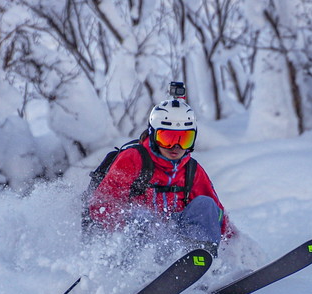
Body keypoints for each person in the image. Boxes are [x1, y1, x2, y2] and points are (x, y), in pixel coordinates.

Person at [85, 89, 235, 254]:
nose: (176, 147)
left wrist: (238, 247)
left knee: (205, 205)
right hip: (131, 245)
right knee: (142, 217)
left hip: (175, 241)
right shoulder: (133, 159)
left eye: (184, 139)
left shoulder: (192, 169)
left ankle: (201, 260)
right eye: (167, 138)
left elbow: (217, 215)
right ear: (154, 135)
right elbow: (102, 204)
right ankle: (144, 271)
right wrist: (125, 223)